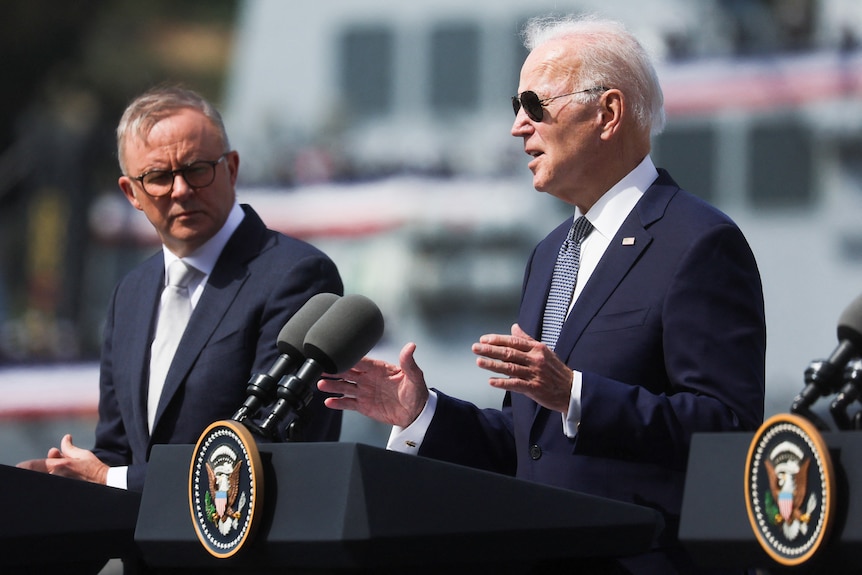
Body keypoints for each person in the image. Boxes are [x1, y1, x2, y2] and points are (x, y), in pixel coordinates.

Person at [318, 15, 765, 575]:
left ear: (609, 113)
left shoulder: (699, 242)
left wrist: (577, 393)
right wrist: (421, 414)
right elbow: (529, 444)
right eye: (515, 103)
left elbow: (729, 432)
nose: (517, 126)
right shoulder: (551, 254)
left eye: (534, 102)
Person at [18, 86, 344, 492]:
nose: (181, 190)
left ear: (232, 168)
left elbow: (272, 450)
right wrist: (61, 483)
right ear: (130, 193)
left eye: (196, 169)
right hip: (148, 555)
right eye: (157, 177)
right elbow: (120, 450)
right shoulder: (131, 295)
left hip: (249, 553)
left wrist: (108, 478)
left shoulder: (296, 276)